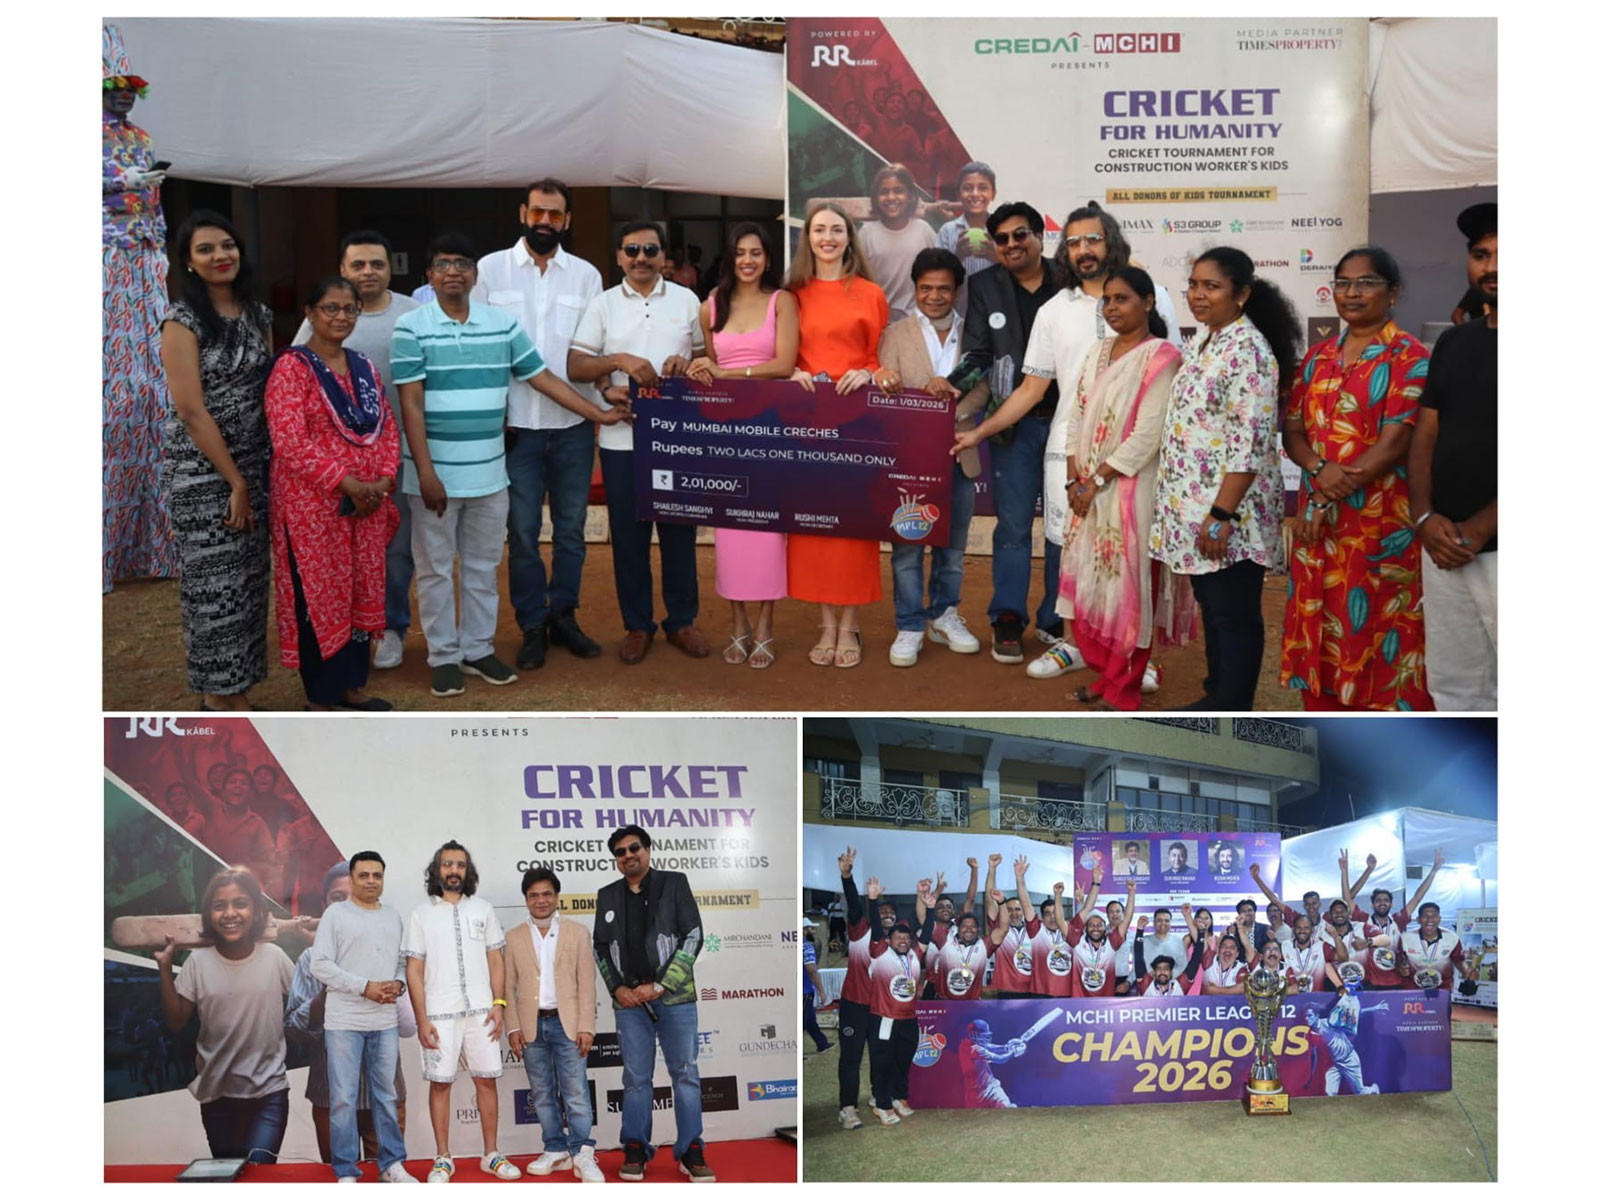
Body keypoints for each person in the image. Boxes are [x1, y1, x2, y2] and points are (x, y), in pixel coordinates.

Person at [394, 234, 620, 698]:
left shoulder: (502, 325)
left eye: (462, 263)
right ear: (429, 276)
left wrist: (596, 413)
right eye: (443, 263)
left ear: (476, 276)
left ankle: (477, 649)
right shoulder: (410, 327)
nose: (453, 271)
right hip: (433, 476)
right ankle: (443, 656)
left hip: (491, 474)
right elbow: (411, 406)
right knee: (435, 568)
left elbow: (540, 377)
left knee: (482, 566)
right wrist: (427, 472)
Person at [972, 266, 1185, 706]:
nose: (1112, 308)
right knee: (1093, 587)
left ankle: (1123, 691)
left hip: (1130, 491)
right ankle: (1106, 677)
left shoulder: (1162, 357)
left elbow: (1147, 436)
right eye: (1107, 300)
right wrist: (1075, 478)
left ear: (1148, 302)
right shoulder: (1097, 353)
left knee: (1128, 592)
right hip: (1087, 488)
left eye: (1122, 299)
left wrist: (1097, 480)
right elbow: (1075, 419)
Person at [1281, 246, 1432, 710]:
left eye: (1366, 283)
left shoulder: (1410, 357)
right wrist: (1314, 469)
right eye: (1343, 282)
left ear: (1393, 292)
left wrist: (1323, 497)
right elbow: (1293, 430)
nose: (1351, 292)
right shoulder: (1318, 356)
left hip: (1376, 529)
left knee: (1379, 636)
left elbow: (1392, 446)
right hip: (1317, 530)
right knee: (1320, 632)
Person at [1150, 247, 1298, 710]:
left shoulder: (1249, 351)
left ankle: (1231, 706)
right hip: (1200, 512)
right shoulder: (1207, 340)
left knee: (1233, 615)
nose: (1198, 295)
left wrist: (1220, 514)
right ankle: (1218, 696)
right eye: (1193, 285)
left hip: (1231, 515)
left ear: (1242, 294)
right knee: (1214, 609)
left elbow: (1250, 442)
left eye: (1211, 286)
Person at [475, 180, 607, 673]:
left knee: (570, 532)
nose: (545, 222)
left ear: (567, 220)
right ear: (523, 214)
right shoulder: (490, 270)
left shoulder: (587, 276)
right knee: (524, 533)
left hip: (573, 424)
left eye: (555, 214)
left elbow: (594, 348)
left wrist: (605, 397)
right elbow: (484, 350)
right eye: (538, 213)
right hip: (515, 427)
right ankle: (532, 623)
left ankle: (564, 617)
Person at [569, 220, 710, 666]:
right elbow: (576, 365)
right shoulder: (603, 304)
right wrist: (613, 372)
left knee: (679, 534)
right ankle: (637, 624)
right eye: (632, 250)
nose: (641, 258)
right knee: (629, 539)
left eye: (651, 249)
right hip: (621, 438)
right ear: (618, 256)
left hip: (678, 440)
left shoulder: (688, 300)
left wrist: (688, 366)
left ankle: (681, 621)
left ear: (664, 256)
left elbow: (708, 360)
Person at [934, 201, 1062, 662]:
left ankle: (1056, 616)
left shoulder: (1068, 281)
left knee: (1064, 528)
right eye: (1002, 238)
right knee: (1011, 525)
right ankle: (1008, 617)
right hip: (1013, 427)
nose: (1011, 244)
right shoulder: (985, 285)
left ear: (1038, 236)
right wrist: (947, 387)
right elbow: (978, 354)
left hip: (1070, 425)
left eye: (1020, 235)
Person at [266, 277, 400, 711]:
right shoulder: (292, 368)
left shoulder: (363, 367)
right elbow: (290, 441)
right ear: (309, 313)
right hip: (314, 509)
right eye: (331, 308)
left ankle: (351, 686)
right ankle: (321, 699)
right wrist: (348, 483)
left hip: (366, 507)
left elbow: (387, 429)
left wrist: (380, 481)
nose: (341, 317)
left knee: (361, 590)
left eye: (350, 309)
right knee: (318, 597)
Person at [160, 210, 273, 712]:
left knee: (248, 581)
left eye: (226, 245)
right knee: (214, 585)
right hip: (203, 473)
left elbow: (266, 389)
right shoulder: (180, 321)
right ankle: (216, 697)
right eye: (204, 249)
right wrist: (235, 481)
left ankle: (238, 689)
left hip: (254, 464)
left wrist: (254, 475)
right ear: (187, 262)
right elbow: (189, 409)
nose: (219, 255)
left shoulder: (258, 313)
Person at [292, 230, 420, 671]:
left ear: (390, 269)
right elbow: (299, 374)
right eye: (359, 265)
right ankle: (344, 635)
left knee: (396, 549)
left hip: (393, 458)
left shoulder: (414, 313)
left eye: (377, 264)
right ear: (343, 270)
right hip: (334, 467)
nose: (368, 272)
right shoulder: (322, 317)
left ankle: (390, 628)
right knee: (341, 553)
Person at [784, 200, 892, 668]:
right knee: (812, 530)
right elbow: (781, 354)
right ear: (807, 238)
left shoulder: (870, 293)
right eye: (818, 229)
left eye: (836, 229)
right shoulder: (791, 295)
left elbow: (880, 357)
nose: (827, 237)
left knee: (853, 529)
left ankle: (849, 628)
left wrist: (869, 375)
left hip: (856, 423)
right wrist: (788, 372)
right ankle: (826, 627)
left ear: (850, 237)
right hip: (807, 424)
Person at [686, 222, 799, 669]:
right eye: (740, 253)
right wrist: (702, 372)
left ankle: (766, 624)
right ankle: (738, 623)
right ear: (730, 258)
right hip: (724, 432)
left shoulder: (782, 301)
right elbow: (709, 364)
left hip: (771, 429)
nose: (748, 261)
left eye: (756, 253)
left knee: (769, 531)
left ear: (768, 259)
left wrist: (732, 375)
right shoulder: (709, 306)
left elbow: (784, 364)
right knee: (729, 530)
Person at [1407, 201, 1497, 710]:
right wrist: (1424, 516)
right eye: (1481, 254)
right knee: (1456, 688)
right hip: (1444, 546)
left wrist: (1480, 528)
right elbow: (1426, 434)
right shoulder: (1455, 343)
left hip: (1494, 546)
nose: (1493, 267)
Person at [592, 825, 714, 1182]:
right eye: (620, 852)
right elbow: (601, 947)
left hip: (674, 998)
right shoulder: (608, 895)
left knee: (686, 1075)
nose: (628, 855)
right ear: (615, 859)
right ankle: (635, 1147)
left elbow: (693, 935)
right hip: (629, 1004)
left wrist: (661, 985)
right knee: (635, 1078)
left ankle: (691, 1150)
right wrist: (617, 989)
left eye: (634, 848)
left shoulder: (674, 883)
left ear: (647, 849)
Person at [880, 248, 983, 667]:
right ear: (915, 289)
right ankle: (909, 623)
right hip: (910, 460)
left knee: (953, 546)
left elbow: (985, 387)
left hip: (961, 453)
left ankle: (944, 615)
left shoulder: (974, 334)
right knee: (907, 546)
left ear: (957, 290)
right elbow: (887, 387)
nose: (935, 296)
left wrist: (954, 406)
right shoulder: (896, 333)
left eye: (944, 288)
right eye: (926, 288)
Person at [102, 25, 176, 591]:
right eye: (113, 84)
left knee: (156, 386)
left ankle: (155, 544)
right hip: (105, 262)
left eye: (130, 86)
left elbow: (151, 202)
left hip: (147, 261)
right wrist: (115, 178)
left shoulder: (142, 136)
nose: (124, 93)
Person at [154, 867, 294, 1163]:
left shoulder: (274, 958)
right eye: (220, 906)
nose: (230, 913)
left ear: (256, 911)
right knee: (229, 1176)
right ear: (209, 914)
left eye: (240, 904)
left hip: (269, 1093)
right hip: (217, 1096)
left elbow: (304, 1008)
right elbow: (177, 1020)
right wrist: (165, 968)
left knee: (259, 1176)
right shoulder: (198, 961)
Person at [403, 841, 521, 1183]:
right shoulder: (420, 914)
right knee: (441, 1085)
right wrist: (422, 1018)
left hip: (483, 1012)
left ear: (467, 872)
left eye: (460, 865)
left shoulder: (483, 909)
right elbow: (413, 969)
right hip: (439, 1014)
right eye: (447, 864)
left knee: (486, 1081)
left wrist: (499, 1005)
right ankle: (442, 1158)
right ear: (436, 870)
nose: (453, 870)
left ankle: (492, 1155)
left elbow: (495, 959)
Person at [285, 862, 414, 1167]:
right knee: (340, 1177)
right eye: (336, 898)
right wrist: (331, 981)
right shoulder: (309, 960)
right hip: (330, 1096)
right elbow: (294, 1030)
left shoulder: (391, 950)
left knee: (389, 1174)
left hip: (383, 1092)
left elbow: (407, 1027)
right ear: (324, 906)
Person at [503, 867, 603, 1183]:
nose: (541, 900)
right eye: (534, 895)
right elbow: (508, 987)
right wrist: (513, 1027)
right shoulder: (514, 936)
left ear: (556, 897)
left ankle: (583, 1152)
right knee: (543, 1093)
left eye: (547, 894)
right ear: (526, 900)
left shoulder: (577, 932)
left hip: (569, 1025)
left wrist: (587, 1025)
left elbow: (587, 984)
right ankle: (555, 1148)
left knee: (575, 1091)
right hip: (532, 1027)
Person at [1342, 847, 1444, 988]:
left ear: (1391, 904)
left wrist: (1434, 870)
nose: (1382, 903)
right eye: (1378, 900)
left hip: (1395, 980)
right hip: (1370, 981)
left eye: (1386, 900)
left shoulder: (1398, 920)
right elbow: (1347, 899)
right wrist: (1353, 871)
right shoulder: (1364, 920)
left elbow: (1417, 897)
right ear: (1372, 905)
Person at [856, 163, 938, 323]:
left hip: (918, 321)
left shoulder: (923, 230)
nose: (891, 197)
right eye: (884, 192)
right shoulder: (867, 233)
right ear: (875, 197)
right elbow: (857, 281)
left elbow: (940, 272)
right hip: (879, 321)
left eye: (898, 191)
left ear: (910, 196)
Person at [866, 916, 928, 1125]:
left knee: (903, 1061)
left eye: (906, 937)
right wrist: (873, 900)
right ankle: (882, 1104)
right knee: (883, 1063)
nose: (902, 940)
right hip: (885, 1018)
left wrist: (929, 905)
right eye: (897, 937)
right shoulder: (880, 953)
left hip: (909, 1019)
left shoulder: (915, 954)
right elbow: (875, 930)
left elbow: (927, 932)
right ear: (888, 940)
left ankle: (898, 1097)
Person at [834, 847, 874, 1131]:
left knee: (881, 1055)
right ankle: (847, 1108)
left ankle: (878, 1095)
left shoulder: (894, 942)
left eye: (890, 914)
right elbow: (854, 904)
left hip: (881, 1008)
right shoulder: (860, 930)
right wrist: (847, 876)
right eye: (880, 912)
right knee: (851, 1058)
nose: (885, 917)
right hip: (853, 1006)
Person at [933, 161, 999, 317]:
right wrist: (957, 258)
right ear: (958, 194)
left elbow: (1017, 276)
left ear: (993, 194)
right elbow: (936, 278)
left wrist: (997, 258)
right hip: (957, 317)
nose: (975, 194)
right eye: (968, 188)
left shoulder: (1001, 231)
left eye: (982, 188)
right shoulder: (947, 232)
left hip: (993, 317)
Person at [984, 855, 1041, 998]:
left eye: (1017, 909)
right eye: (1009, 910)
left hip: (1034, 990)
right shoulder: (1000, 929)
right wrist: (992, 869)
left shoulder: (1034, 930)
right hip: (1007, 990)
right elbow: (990, 900)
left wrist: (1020, 878)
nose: (1014, 913)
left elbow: (1027, 902)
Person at [1398, 902, 1475, 992]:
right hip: (1412, 989)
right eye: (1425, 916)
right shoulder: (1405, 938)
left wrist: (1466, 971)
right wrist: (1400, 968)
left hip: (1441, 990)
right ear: (1418, 919)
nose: (1430, 919)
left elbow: (1458, 960)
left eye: (1434, 916)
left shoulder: (1452, 938)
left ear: (1439, 919)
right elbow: (1398, 960)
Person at [958, 1019, 1028, 1108]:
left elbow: (989, 1046)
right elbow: (1000, 1059)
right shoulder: (976, 1050)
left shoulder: (965, 1044)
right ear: (973, 1034)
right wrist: (1013, 1052)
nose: (985, 1039)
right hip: (988, 1091)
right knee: (1008, 1110)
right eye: (983, 1036)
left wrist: (1006, 1047)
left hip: (972, 1094)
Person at [802, 919, 833, 1051]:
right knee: (804, 1019)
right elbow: (812, 971)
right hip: (805, 990)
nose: (813, 931)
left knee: (809, 1019)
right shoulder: (806, 947)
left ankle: (822, 1043)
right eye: (811, 929)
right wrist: (821, 991)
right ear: (804, 930)